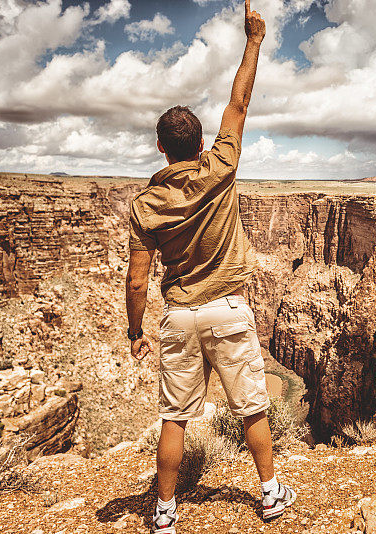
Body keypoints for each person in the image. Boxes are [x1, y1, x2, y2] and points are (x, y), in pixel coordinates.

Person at [124, 2, 295, 532]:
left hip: (177, 316)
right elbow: (238, 103)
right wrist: (253, 40)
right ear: (199, 144)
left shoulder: (146, 205)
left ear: (159, 146)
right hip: (227, 309)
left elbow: (135, 280)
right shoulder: (221, 165)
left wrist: (135, 331)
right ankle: (269, 493)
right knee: (252, 407)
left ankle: (166, 512)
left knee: (174, 417)